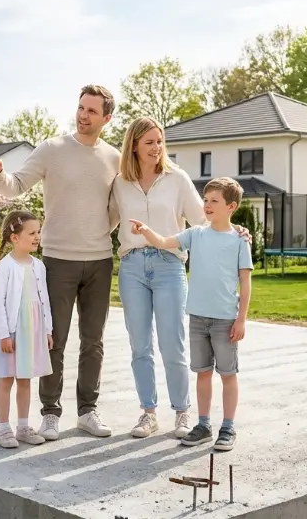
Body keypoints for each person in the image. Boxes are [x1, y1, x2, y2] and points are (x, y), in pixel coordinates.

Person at [0, 84, 121, 440]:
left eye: (92, 111)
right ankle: (51, 413)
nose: (83, 115)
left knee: (94, 341)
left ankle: (88, 411)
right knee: (53, 340)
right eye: (81, 107)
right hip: (58, 260)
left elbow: (118, 208)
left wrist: (99, 230)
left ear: (107, 118)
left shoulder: (115, 158)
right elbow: (14, 186)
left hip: (100, 261)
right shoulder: (52, 150)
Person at [127, 177, 253, 452]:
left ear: (231, 207)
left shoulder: (240, 241)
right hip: (197, 318)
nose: (206, 205)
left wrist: (241, 319)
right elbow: (163, 242)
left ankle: (228, 427)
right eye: (205, 200)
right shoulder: (195, 234)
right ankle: (204, 425)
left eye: (213, 201)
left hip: (225, 320)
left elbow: (245, 283)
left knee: (228, 374)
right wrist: (146, 230)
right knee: (203, 373)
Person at [112, 117, 207, 439]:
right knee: (139, 345)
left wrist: (234, 231)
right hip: (132, 266)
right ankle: (148, 413)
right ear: (134, 145)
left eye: (160, 141)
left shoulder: (176, 178)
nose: (156, 148)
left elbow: (201, 221)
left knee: (172, 344)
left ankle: (182, 413)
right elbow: (106, 221)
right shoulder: (120, 182)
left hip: (169, 264)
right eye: (149, 142)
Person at [0, 210, 54, 449]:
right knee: (7, 379)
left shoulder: (39, 265)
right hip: (13, 331)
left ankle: (23, 427)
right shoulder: (5, 267)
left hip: (32, 330)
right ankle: (4, 429)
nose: (37, 237)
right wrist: (4, 334)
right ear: (15, 237)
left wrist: (47, 330)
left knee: (25, 379)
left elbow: (44, 298)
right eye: (32, 233)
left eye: (39, 232)